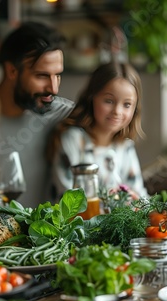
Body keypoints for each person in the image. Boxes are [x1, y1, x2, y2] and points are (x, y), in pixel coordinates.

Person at [0, 22, 74, 208]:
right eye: (42, 76)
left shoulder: (61, 114)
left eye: (58, 75)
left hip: (47, 235)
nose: (53, 88)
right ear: (12, 70)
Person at [47, 62, 148, 202]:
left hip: (117, 223)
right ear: (92, 97)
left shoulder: (125, 147)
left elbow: (140, 196)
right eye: (109, 101)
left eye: (127, 104)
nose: (117, 112)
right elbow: (69, 200)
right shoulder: (73, 140)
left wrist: (137, 201)